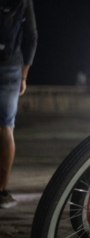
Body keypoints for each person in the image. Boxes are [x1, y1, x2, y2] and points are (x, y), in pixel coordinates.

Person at [0, 0, 37, 208]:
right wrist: (23, 76)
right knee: (6, 127)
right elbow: (32, 38)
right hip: (11, 68)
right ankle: (2, 191)